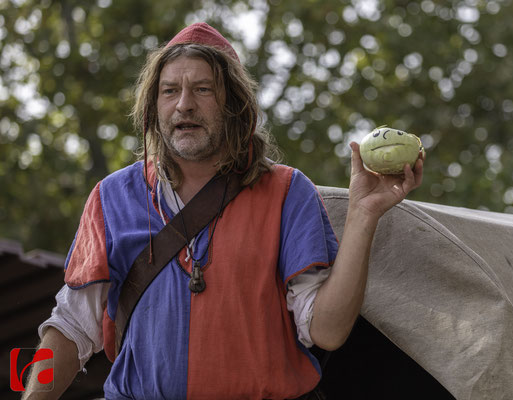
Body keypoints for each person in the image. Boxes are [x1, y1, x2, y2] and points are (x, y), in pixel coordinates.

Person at [24, 22, 423, 399]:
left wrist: (363, 214)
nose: (184, 105)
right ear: (153, 106)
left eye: (203, 89)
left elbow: (328, 330)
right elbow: (68, 328)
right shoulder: (110, 198)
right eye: (169, 91)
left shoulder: (287, 192)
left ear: (234, 104)